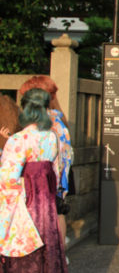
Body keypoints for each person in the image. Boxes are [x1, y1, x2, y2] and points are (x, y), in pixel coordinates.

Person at [0, 88, 67, 272]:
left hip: (25, 205)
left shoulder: (18, 139)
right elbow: (56, 172)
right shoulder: (52, 137)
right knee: (47, 252)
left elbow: (7, 180)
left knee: (24, 258)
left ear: (25, 109)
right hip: (46, 206)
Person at [18, 76, 74, 254]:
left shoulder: (46, 122)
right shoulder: (58, 119)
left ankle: (54, 254)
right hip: (58, 173)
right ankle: (59, 255)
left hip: (47, 175)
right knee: (58, 211)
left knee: (53, 213)